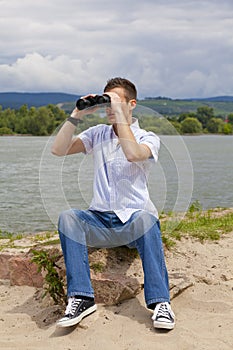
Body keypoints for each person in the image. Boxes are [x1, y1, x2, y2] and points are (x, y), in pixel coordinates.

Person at [51, 77, 175, 330]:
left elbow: (133, 154)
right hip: (99, 219)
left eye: (115, 102)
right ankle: (81, 298)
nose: (109, 108)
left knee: (147, 219)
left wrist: (120, 116)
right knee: (68, 216)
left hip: (134, 221)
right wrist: (76, 113)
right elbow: (58, 149)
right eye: (107, 102)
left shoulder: (148, 138)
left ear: (132, 104)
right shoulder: (98, 134)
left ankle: (161, 303)